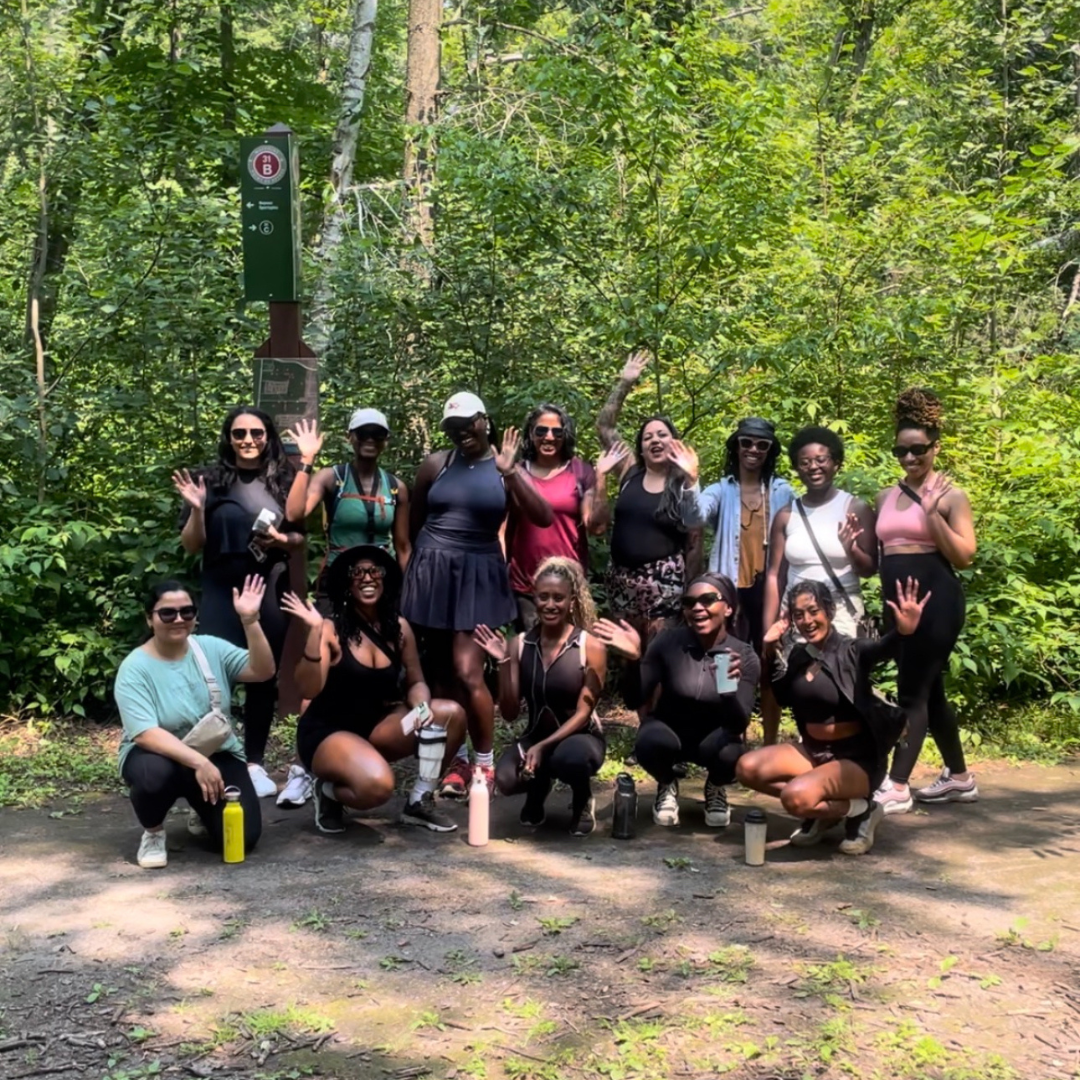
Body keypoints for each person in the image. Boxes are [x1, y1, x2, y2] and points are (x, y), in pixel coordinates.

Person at [400, 392, 553, 797]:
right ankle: (456, 762)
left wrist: (511, 473)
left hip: (478, 573)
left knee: (468, 672)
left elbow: (543, 516)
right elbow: (415, 522)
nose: (461, 432)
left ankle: (484, 762)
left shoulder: (506, 467)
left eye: (468, 423)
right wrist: (415, 570)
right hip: (433, 573)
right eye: (452, 426)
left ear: (485, 420)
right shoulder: (437, 463)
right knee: (440, 675)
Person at [736, 578, 929, 856]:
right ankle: (825, 810)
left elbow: (882, 649)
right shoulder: (800, 655)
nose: (807, 621)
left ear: (829, 611)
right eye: (798, 615)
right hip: (815, 751)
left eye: (813, 611)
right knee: (747, 768)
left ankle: (862, 809)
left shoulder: (852, 651)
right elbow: (782, 695)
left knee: (795, 798)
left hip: (856, 760)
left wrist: (903, 632)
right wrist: (770, 649)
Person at [283, 545, 467, 834]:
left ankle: (419, 801)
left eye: (374, 571)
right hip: (328, 733)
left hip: (375, 728)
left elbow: (416, 682)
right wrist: (315, 634)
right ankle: (327, 791)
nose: (367, 578)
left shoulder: (399, 628)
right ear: (347, 583)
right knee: (377, 787)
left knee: (451, 714)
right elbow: (309, 687)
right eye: (357, 572)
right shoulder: (330, 628)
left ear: (385, 578)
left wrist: (422, 706)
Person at [173, 406, 303, 798]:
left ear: (268, 437)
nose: (248, 440)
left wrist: (281, 540)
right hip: (220, 587)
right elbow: (191, 545)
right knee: (215, 675)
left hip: (267, 586)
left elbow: (300, 536)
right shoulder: (208, 480)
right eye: (239, 433)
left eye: (257, 433)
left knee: (263, 675)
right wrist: (198, 509)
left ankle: (254, 762)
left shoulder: (284, 479)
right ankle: (217, 758)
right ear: (228, 437)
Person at [114, 577, 274, 868]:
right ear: (149, 619)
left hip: (215, 750)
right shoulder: (135, 668)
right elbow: (145, 734)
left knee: (243, 837)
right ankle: (153, 832)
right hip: (160, 755)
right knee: (152, 776)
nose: (178, 619)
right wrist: (199, 763)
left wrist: (250, 621)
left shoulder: (209, 648)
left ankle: (201, 806)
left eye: (186, 612)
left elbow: (262, 671)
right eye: (167, 613)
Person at [873, 389, 978, 815]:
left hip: (936, 603)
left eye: (918, 449)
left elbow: (964, 556)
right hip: (898, 604)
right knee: (930, 692)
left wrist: (933, 514)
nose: (909, 458)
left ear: (935, 447)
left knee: (911, 691)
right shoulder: (885, 496)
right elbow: (879, 555)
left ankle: (897, 785)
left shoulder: (952, 496)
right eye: (901, 450)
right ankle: (959, 778)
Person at [593, 574, 759, 829]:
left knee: (732, 752)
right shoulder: (668, 642)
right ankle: (667, 783)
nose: (697, 607)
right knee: (648, 741)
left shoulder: (743, 655)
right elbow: (634, 700)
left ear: (728, 608)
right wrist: (634, 660)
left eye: (708, 599)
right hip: (669, 732)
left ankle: (715, 787)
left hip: (713, 740)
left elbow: (738, 724)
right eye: (689, 602)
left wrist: (727, 690)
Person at [473, 558, 607, 835]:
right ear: (534, 598)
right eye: (543, 597)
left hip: (580, 738)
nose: (550, 604)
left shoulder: (589, 645)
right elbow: (510, 713)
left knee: (570, 759)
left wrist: (543, 747)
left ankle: (582, 797)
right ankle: (539, 786)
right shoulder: (520, 644)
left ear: (572, 602)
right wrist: (503, 661)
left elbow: (584, 714)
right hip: (535, 736)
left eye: (558, 598)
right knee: (506, 779)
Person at [596, 351, 703, 656]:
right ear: (641, 448)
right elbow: (604, 427)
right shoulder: (629, 471)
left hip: (664, 586)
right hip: (622, 583)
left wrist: (692, 593)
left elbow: (695, 540)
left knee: (659, 656)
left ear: (674, 443)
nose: (655, 440)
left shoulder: (684, 483)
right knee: (627, 656)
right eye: (647, 437)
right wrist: (624, 383)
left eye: (662, 435)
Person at [695, 418, 794, 744]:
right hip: (729, 589)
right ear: (735, 446)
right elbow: (694, 517)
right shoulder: (720, 489)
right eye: (746, 442)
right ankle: (730, 737)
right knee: (726, 662)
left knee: (769, 661)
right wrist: (690, 479)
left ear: (770, 450)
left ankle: (769, 742)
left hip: (770, 590)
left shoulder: (782, 491)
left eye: (762, 444)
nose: (753, 449)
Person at [507, 403, 628, 630]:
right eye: (541, 430)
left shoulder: (580, 472)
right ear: (531, 434)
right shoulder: (515, 472)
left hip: (569, 585)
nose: (549, 437)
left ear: (566, 435)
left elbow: (596, 527)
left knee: (572, 649)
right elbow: (502, 526)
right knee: (533, 648)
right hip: (526, 586)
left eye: (557, 432)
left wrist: (601, 477)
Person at [763, 426, 877, 639]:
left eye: (821, 460)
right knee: (798, 661)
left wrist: (851, 548)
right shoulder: (786, 515)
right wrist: (769, 628)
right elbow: (774, 576)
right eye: (805, 462)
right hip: (797, 616)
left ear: (836, 463)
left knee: (842, 661)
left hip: (842, 614)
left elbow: (869, 569)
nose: (813, 467)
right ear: (797, 468)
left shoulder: (855, 508)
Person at [284, 410, 411, 578]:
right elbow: (294, 514)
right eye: (363, 433)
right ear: (349, 437)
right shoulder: (331, 478)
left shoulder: (396, 487)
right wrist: (307, 459)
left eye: (377, 434)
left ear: (386, 440)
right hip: (340, 573)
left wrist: (409, 588)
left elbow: (403, 546)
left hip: (381, 578)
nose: (370, 439)